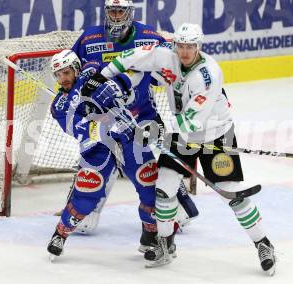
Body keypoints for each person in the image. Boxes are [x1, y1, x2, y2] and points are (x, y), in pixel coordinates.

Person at [100, 23, 277, 275]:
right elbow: (132, 56)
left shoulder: (208, 74)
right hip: (181, 134)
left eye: (190, 46)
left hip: (215, 135)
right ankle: (165, 243)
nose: (184, 51)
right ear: (175, 45)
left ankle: (263, 243)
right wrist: (102, 75)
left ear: (199, 46)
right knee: (164, 190)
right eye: (181, 46)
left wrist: (159, 131)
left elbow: (194, 120)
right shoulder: (166, 56)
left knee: (232, 194)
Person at [46, 48, 198, 260]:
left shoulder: (94, 72)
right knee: (88, 192)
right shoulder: (60, 105)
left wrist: (117, 87)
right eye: (58, 74)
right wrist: (104, 123)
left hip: (130, 137)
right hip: (97, 147)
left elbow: (135, 74)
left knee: (148, 184)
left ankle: (151, 237)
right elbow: (76, 129)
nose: (62, 78)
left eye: (66, 72)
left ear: (76, 69)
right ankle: (60, 234)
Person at [68, 0, 198, 236]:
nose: (116, 16)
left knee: (153, 163)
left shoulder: (148, 35)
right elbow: (73, 71)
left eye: (121, 11)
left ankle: (176, 209)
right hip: (103, 118)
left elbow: (170, 67)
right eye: (112, 11)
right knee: (97, 159)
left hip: (142, 114)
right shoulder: (89, 37)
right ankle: (85, 210)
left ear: (129, 13)